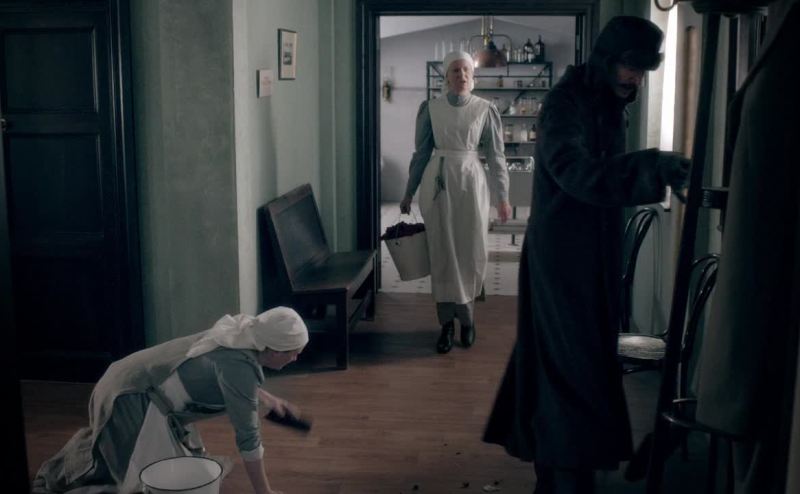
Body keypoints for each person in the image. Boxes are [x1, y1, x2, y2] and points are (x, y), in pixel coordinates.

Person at [482, 16, 690, 493]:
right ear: (607, 59)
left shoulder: (605, 101)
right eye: (630, 68)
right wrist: (649, 167)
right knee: (569, 369)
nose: (636, 79)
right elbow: (574, 172)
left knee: (575, 367)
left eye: (644, 71)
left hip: (589, 256)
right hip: (563, 260)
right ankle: (565, 478)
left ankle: (562, 474)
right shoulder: (565, 104)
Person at [32, 306, 309, 494]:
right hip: (130, 396)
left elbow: (227, 378)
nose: (296, 358)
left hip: (127, 378)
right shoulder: (238, 366)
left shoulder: (243, 333)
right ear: (273, 350)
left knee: (170, 471)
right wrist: (264, 491)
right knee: (137, 482)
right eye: (293, 352)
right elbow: (248, 437)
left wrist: (266, 398)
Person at [400, 50, 512, 354]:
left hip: (471, 184)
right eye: (455, 70)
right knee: (442, 254)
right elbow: (421, 153)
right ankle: (446, 324)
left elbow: (496, 157)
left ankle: (468, 319)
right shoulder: (431, 109)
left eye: (466, 70)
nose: (461, 75)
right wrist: (409, 191)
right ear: (446, 76)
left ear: (472, 76)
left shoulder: (485, 109)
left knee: (470, 251)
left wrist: (503, 197)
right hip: (438, 184)